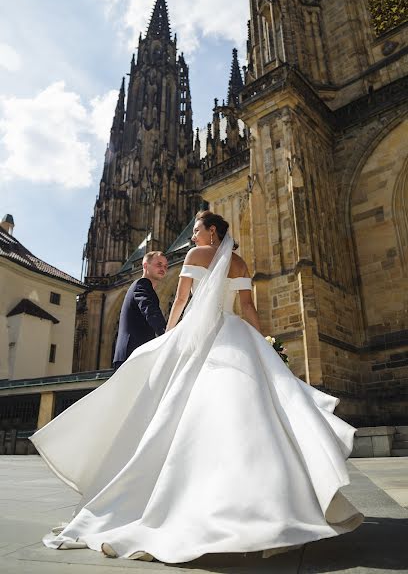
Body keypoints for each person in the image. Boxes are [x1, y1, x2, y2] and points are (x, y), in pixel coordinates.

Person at [30, 210, 363, 564]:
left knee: (184, 413)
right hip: (237, 335)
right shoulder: (241, 263)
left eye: (197, 230)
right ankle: (276, 506)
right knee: (252, 415)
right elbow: (248, 308)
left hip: (203, 335)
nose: (191, 236)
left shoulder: (195, 256)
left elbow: (179, 301)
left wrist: (172, 337)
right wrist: (266, 344)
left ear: (212, 232)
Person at [112, 251, 168, 370]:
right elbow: (150, 311)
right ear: (145, 266)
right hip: (132, 354)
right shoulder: (142, 284)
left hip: (135, 354)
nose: (163, 268)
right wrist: (167, 335)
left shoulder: (144, 287)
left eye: (165, 266)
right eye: (159, 264)